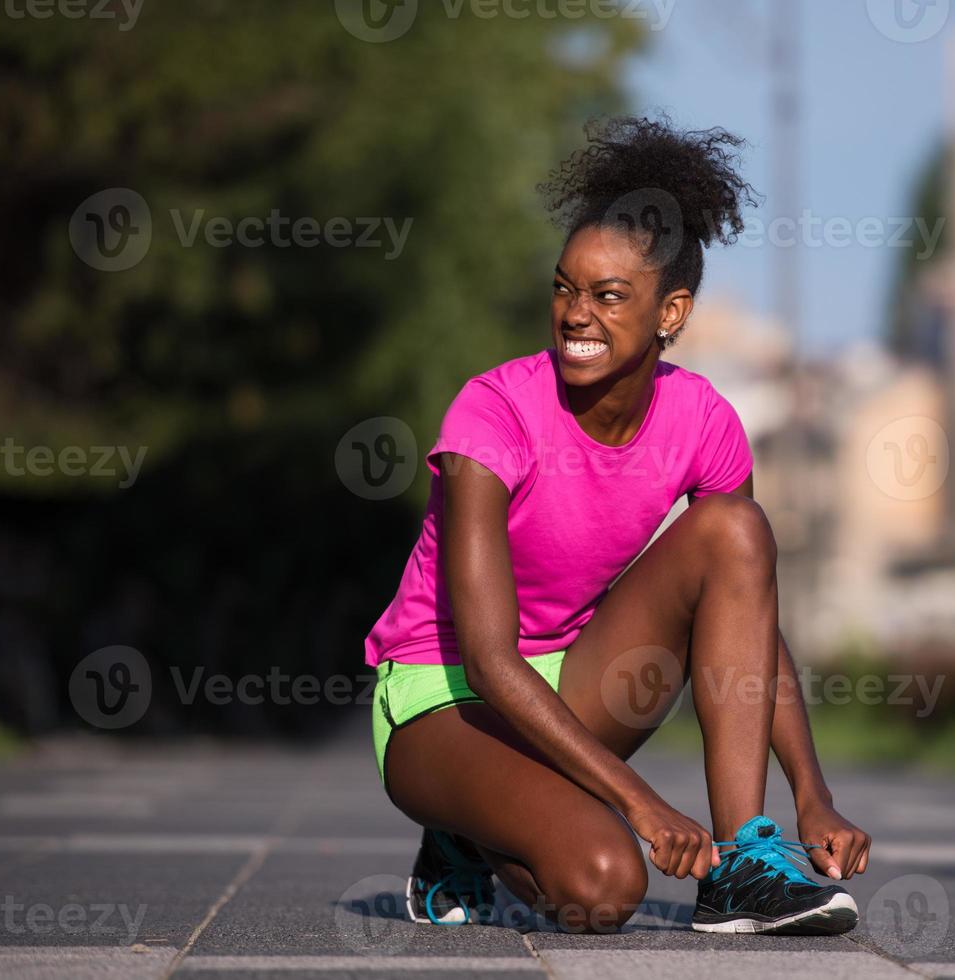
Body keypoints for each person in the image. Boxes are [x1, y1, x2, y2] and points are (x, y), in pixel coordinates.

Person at [364, 116, 871, 935]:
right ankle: (462, 826)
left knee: (735, 531)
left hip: (574, 683)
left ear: (671, 311)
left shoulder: (702, 419)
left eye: (607, 296)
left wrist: (814, 796)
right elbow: (491, 663)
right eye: (564, 288)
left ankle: (741, 862)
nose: (574, 314)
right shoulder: (491, 413)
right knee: (602, 889)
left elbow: (748, 617)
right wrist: (641, 804)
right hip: (444, 696)